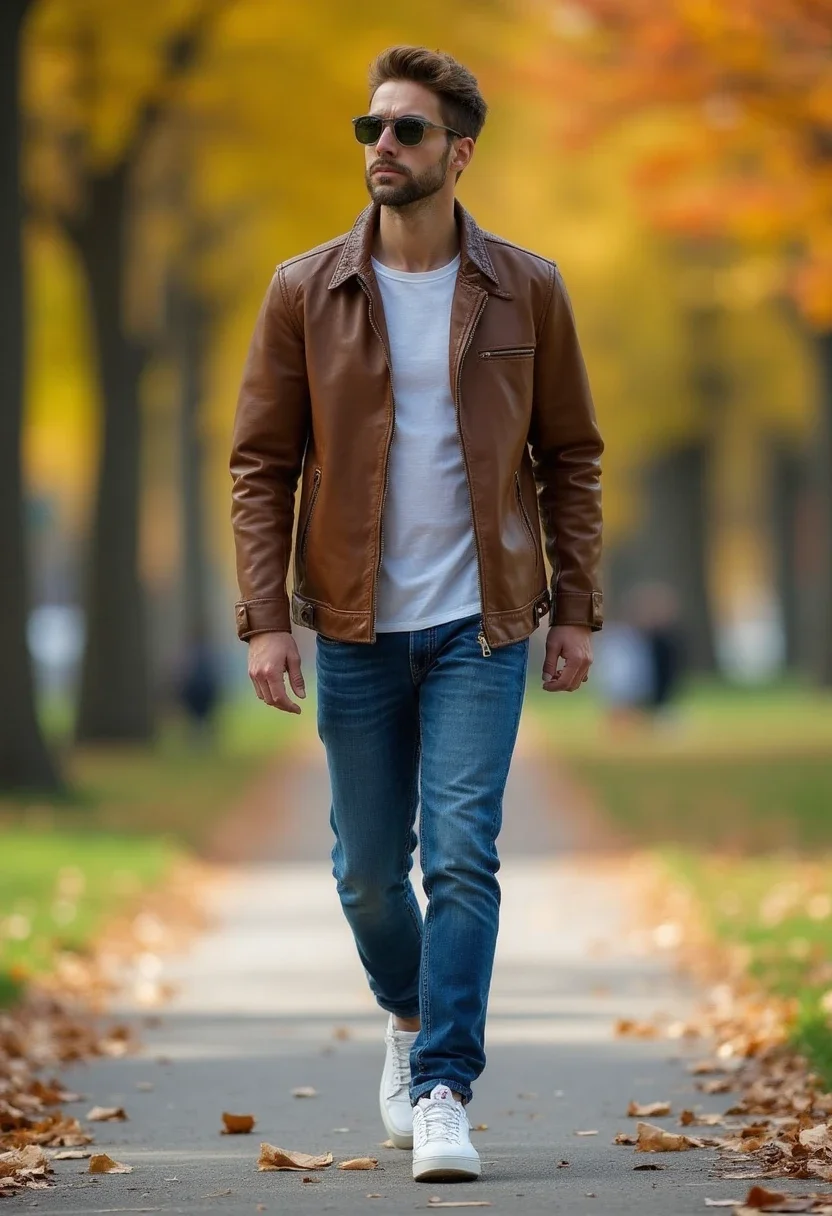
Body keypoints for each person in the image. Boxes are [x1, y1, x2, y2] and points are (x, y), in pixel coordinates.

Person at [229, 45, 604, 1183]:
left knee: (461, 858)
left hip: (478, 628)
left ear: (459, 152)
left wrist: (576, 608)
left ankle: (443, 1085)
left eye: (405, 131)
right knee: (365, 875)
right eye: (370, 130)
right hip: (346, 624)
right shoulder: (306, 289)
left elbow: (569, 456)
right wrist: (264, 619)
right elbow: (261, 462)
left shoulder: (526, 287)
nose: (380, 147)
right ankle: (408, 1011)